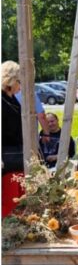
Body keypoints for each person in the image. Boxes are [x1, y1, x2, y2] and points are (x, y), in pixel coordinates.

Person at [2, 63, 24, 217]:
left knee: (18, 200)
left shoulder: (11, 99)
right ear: (11, 80)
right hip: (7, 159)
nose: (21, 85)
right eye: (20, 81)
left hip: (17, 157)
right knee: (10, 201)